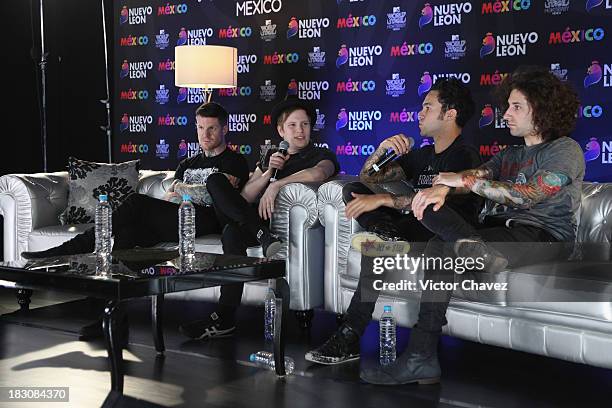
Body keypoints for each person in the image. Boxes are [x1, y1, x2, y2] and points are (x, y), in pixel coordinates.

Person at [360, 66, 585, 385]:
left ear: (542, 110)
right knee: (435, 223)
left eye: (516, 107)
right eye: (507, 106)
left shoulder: (565, 149)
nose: (506, 114)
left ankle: (475, 252)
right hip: (505, 232)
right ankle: (421, 358)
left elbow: (529, 195)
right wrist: (444, 189)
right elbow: (479, 175)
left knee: (442, 232)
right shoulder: (511, 153)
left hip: (545, 239)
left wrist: (460, 180)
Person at [21, 102, 261, 339]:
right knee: (128, 235)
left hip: (206, 219)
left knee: (136, 202)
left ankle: (79, 244)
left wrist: (181, 187)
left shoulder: (233, 161)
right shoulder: (187, 164)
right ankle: (115, 317)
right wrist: (180, 189)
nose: (205, 135)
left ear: (225, 129)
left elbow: (213, 194)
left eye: (212, 129)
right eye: (200, 128)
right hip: (176, 218)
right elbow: (169, 197)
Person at [305, 79, 482, 365]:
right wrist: (383, 149)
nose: (419, 114)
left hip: (440, 234)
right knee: (351, 190)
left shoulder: (464, 155)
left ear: (450, 114)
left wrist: (385, 201)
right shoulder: (424, 154)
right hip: (411, 225)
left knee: (375, 249)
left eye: (427, 107)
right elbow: (368, 177)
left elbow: (437, 204)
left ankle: (350, 335)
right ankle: (387, 235)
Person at [179, 95, 340, 340]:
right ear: (280, 130)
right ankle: (260, 238)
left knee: (231, 232)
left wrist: (278, 185)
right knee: (215, 180)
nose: (299, 131)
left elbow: (319, 173)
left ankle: (224, 316)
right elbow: (244, 196)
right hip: (255, 221)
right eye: (292, 125)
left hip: (278, 226)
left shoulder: (320, 154)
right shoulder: (270, 157)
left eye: (305, 124)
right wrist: (267, 174)